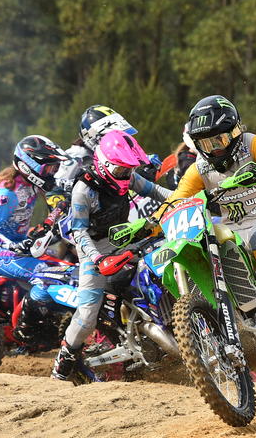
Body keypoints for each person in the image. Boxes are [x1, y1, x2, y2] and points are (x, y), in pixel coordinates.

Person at [154, 95, 256, 345]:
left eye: (218, 140)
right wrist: (149, 223)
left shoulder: (253, 144)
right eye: (205, 144)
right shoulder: (200, 167)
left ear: (234, 133)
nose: (213, 149)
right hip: (231, 230)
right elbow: (178, 198)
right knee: (206, 250)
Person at [51, 130, 172, 381]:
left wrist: (183, 200)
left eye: (129, 170)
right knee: (86, 316)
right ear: (104, 164)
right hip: (94, 250)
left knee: (165, 267)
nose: (126, 176)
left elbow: (156, 191)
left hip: (126, 238)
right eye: (121, 170)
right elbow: (79, 233)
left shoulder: (128, 176)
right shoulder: (83, 189)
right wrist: (96, 259)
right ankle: (64, 362)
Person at [0, 135, 70, 350]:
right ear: (31, 164)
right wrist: (13, 246)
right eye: (50, 168)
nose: (54, 172)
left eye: (55, 167)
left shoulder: (30, 184)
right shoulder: (6, 193)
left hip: (21, 244)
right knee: (46, 276)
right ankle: (25, 329)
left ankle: (46, 324)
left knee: (64, 271)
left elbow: (64, 189)